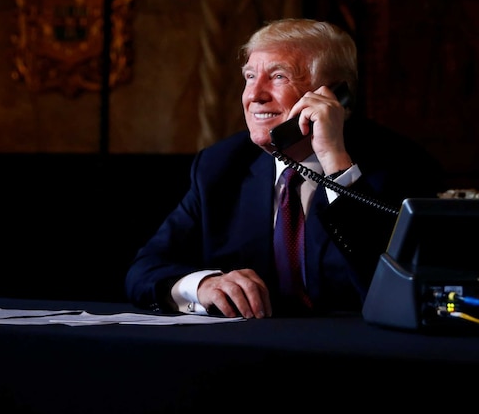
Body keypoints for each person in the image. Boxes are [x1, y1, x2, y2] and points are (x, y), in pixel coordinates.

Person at [125, 18, 445, 318]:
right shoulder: (221, 166)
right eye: (250, 77)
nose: (254, 96)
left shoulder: (402, 164)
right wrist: (202, 285)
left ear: (336, 95)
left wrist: (335, 161)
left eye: (278, 76)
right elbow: (145, 269)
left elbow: (394, 287)